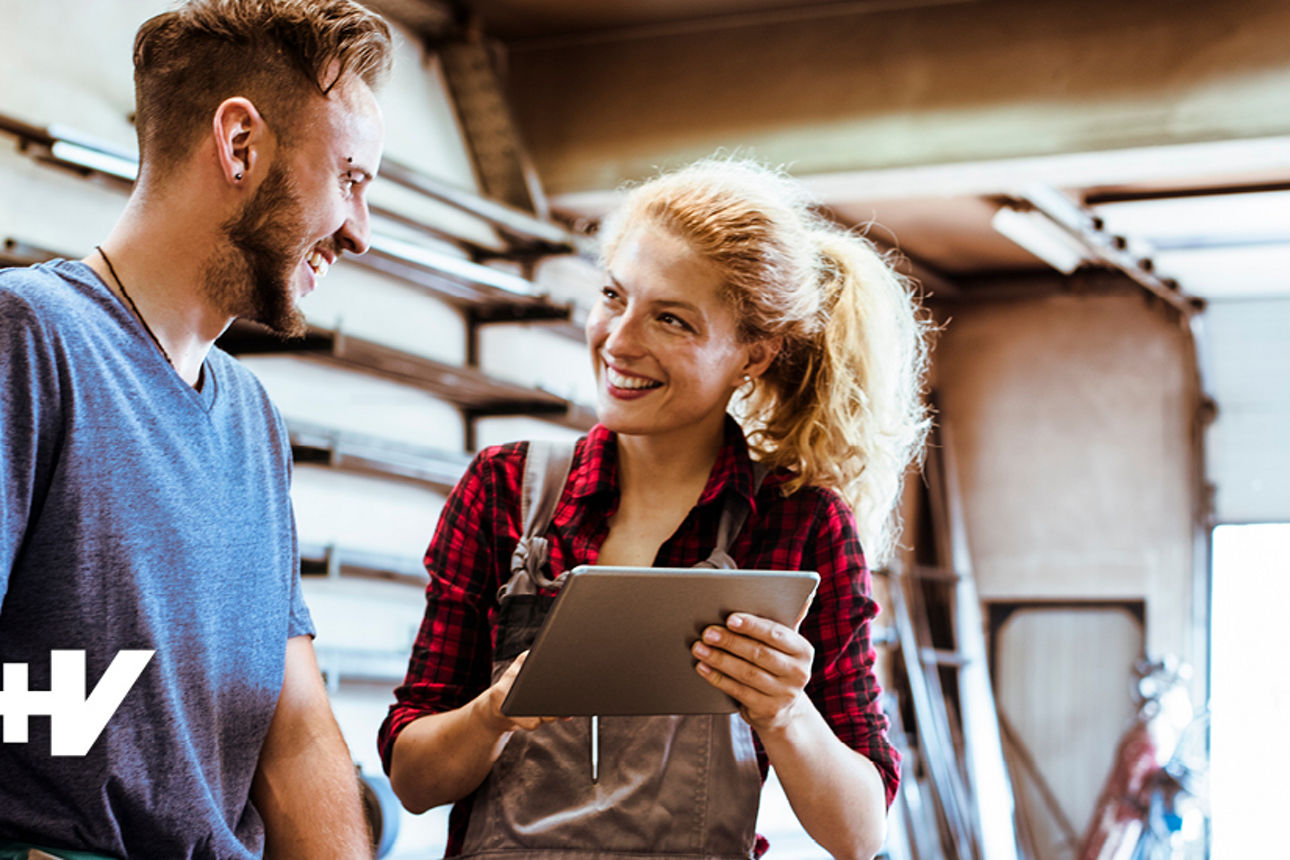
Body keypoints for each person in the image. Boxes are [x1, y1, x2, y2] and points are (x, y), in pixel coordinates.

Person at [379, 158, 932, 859]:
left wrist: (785, 711)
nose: (619, 339)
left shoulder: (798, 525)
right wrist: (495, 713)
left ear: (753, 356)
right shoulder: (502, 490)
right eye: (613, 295)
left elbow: (859, 835)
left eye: (671, 319)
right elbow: (413, 780)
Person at [0, 1, 392, 857]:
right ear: (240, 144)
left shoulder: (252, 419)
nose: (359, 231)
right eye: (352, 179)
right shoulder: (29, 339)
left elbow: (290, 737)